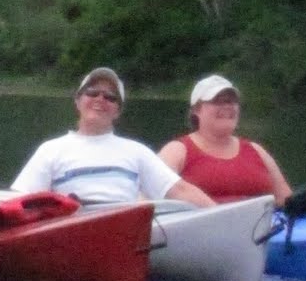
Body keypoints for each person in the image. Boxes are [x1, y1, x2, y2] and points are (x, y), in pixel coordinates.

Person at [11, 66, 213, 207]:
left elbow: (180, 191)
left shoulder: (136, 151)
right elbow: (18, 198)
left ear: (118, 111)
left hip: (123, 231)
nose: (100, 99)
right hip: (70, 231)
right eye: (92, 93)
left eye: (110, 97)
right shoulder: (51, 149)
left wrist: (225, 215)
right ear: (78, 100)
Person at [157, 73, 292, 205]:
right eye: (217, 101)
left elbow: (287, 201)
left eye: (231, 101)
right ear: (196, 110)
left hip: (261, 225)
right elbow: (148, 194)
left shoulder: (256, 150)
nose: (227, 106)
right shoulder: (177, 150)